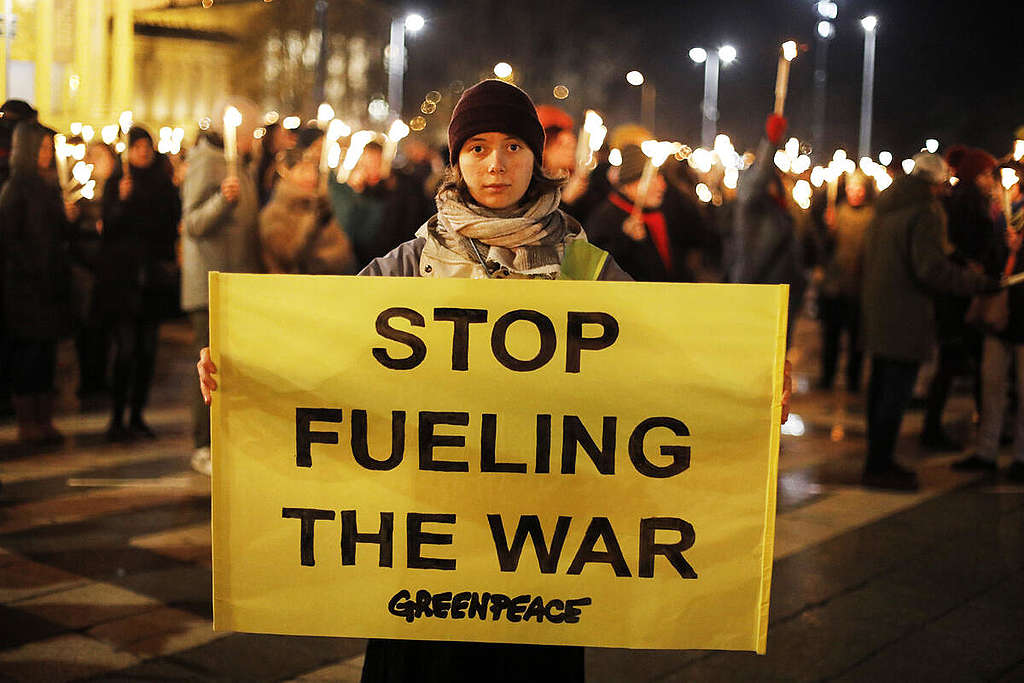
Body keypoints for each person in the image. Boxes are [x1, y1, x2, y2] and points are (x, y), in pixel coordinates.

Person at [197, 79, 793, 682]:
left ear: (536, 159)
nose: (496, 163)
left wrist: (749, 379)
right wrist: (246, 370)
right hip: (425, 531)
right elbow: (326, 350)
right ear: (457, 160)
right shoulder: (409, 266)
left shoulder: (583, 267)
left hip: (541, 543)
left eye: (512, 146)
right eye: (477, 148)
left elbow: (663, 361)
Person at [861, 152, 1000, 491]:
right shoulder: (926, 210)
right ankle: (880, 467)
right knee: (894, 395)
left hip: (879, 312)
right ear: (936, 183)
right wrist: (978, 283)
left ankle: (875, 461)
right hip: (906, 315)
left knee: (880, 391)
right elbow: (930, 269)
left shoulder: (888, 204)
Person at [181, 97, 262, 475]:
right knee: (208, 366)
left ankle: (224, 440)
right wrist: (220, 201)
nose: (253, 140)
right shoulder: (205, 162)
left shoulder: (238, 164)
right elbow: (194, 223)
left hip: (236, 282)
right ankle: (203, 444)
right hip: (211, 284)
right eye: (250, 134)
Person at [97, 126, 182, 440]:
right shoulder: (118, 183)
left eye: (147, 146)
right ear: (128, 152)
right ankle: (117, 416)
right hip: (123, 281)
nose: (143, 152)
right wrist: (120, 201)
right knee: (126, 350)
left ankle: (137, 414)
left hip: (152, 281)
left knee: (147, 351)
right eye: (137, 147)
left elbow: (172, 224)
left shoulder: (163, 183)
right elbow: (108, 229)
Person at [0, 121, 77, 445]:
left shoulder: (46, 187)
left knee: (45, 355)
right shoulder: (15, 188)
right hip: (25, 290)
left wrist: (67, 217)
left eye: (49, 148)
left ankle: (44, 419)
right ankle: (28, 421)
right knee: (28, 357)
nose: (47, 154)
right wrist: (30, 267)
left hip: (48, 289)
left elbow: (57, 234)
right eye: (43, 148)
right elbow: (8, 239)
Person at [920, 147, 999, 450]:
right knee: (966, 360)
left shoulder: (955, 200)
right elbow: (971, 246)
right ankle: (977, 428)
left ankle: (939, 426)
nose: (992, 180)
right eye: (988, 174)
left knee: (954, 361)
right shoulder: (971, 202)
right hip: (964, 293)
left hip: (956, 293)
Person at [953, 162, 1024, 482]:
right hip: (999, 307)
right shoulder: (998, 213)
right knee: (991, 382)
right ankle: (986, 450)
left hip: (1022, 309)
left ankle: (1022, 455)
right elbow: (990, 252)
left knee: (1023, 388)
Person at [727, 113, 806, 342]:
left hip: (781, 295)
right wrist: (770, 143)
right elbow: (755, 182)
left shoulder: (781, 209)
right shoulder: (752, 205)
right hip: (758, 292)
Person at [586, 144, 689, 282]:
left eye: (661, 178)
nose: (662, 186)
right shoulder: (606, 218)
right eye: (652, 180)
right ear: (629, 185)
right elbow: (595, 268)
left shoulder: (661, 213)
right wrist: (625, 240)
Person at [259, 128, 355, 275]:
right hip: (290, 288)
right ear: (289, 175)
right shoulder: (276, 212)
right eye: (303, 171)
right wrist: (310, 223)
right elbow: (286, 255)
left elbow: (341, 250)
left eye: (313, 171)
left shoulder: (322, 205)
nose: (311, 177)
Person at [328, 138, 434, 270]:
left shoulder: (407, 188)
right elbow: (352, 232)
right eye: (366, 165)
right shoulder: (359, 193)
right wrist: (358, 195)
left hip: (403, 264)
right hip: (366, 265)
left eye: (376, 163)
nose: (372, 170)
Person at [818, 171, 875, 392]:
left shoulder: (872, 217)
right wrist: (828, 231)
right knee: (831, 336)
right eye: (852, 189)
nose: (855, 193)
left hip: (858, 288)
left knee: (856, 340)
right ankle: (827, 376)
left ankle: (853, 380)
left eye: (859, 189)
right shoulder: (837, 213)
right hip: (835, 286)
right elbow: (824, 251)